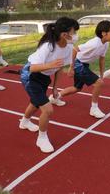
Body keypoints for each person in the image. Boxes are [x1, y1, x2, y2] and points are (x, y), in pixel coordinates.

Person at [19, 17, 79, 153]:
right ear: (64, 34)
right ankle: (42, 138)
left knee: (35, 103)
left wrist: (55, 87)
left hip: (44, 77)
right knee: (48, 109)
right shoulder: (48, 46)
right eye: (74, 31)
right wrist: (49, 65)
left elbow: (59, 68)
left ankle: (24, 122)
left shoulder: (68, 47)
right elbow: (32, 68)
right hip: (30, 76)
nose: (76, 35)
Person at [49, 20, 110, 119]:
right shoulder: (94, 43)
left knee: (77, 88)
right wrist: (71, 67)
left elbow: (102, 59)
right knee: (99, 83)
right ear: (104, 33)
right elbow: (75, 49)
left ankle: (55, 97)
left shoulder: (105, 44)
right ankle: (94, 108)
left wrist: (102, 74)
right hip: (78, 64)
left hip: (84, 65)